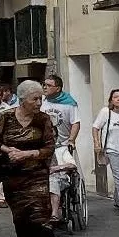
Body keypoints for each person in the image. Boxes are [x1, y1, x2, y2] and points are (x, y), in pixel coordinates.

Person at [0, 80, 59, 237]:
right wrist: (8, 149)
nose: (39, 103)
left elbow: (49, 147)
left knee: (40, 214)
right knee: (19, 215)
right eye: (35, 99)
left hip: (36, 174)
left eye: (41, 98)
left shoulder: (43, 119)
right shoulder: (6, 117)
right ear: (23, 100)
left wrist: (27, 154)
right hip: (13, 176)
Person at [41, 74, 80, 224]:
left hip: (63, 143)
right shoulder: (42, 103)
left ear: (57, 88)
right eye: (44, 84)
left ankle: (56, 212)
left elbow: (76, 123)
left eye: (48, 85)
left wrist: (71, 140)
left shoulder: (69, 103)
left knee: (56, 180)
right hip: (45, 143)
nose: (44, 87)